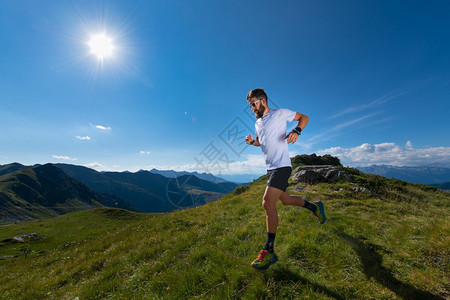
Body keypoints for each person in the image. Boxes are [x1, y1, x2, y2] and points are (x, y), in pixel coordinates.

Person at [245, 88, 326, 271]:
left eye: (253, 103)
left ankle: (269, 250)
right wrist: (252, 142)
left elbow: (304, 118)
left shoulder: (279, 114)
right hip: (271, 168)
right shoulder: (258, 123)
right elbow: (262, 142)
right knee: (287, 200)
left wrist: (296, 130)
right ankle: (315, 207)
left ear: (263, 101)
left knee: (267, 204)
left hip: (281, 167)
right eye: (249, 105)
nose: (251, 108)